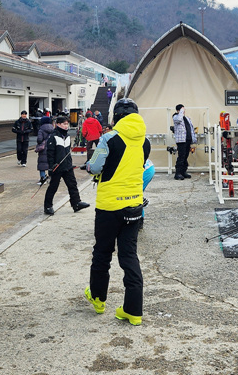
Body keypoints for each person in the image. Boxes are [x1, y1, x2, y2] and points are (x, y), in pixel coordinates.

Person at [84, 98, 150, 326]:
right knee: (129, 256)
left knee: (102, 253)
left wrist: (90, 167)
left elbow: (94, 166)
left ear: (117, 116)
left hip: (109, 206)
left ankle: (98, 298)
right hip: (134, 205)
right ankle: (133, 310)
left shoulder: (109, 138)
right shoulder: (145, 141)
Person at [43, 115, 90, 216]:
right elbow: (50, 153)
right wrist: (51, 167)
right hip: (57, 166)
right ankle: (47, 206)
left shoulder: (68, 136)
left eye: (67, 124)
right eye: (64, 124)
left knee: (72, 184)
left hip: (67, 166)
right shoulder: (53, 136)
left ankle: (76, 203)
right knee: (53, 187)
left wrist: (70, 164)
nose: (66, 125)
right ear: (58, 124)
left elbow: (67, 152)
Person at [172, 104, 195, 180]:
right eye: (182, 110)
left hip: (187, 139)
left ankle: (183, 172)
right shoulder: (176, 117)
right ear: (178, 110)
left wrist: (192, 140)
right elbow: (179, 119)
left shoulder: (187, 119)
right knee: (181, 157)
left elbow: (191, 129)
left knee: (185, 157)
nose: (184, 111)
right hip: (181, 141)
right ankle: (178, 173)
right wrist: (181, 111)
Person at [34, 116, 55, 184]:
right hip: (51, 147)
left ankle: (43, 178)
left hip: (43, 148)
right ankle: (52, 178)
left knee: (42, 163)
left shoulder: (41, 129)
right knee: (51, 163)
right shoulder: (53, 128)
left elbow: (39, 139)